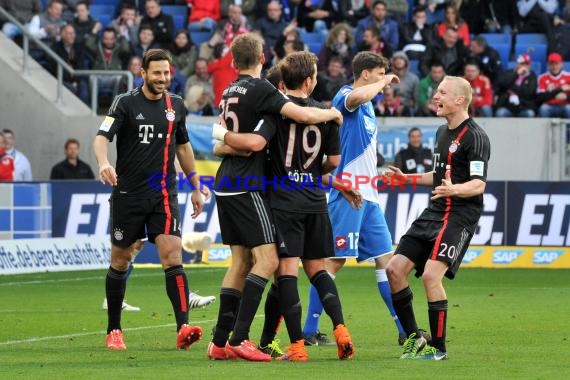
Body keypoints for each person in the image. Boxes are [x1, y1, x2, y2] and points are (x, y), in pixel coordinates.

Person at [206, 32, 342, 362]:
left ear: (233, 62)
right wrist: (332, 114)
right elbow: (298, 118)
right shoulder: (265, 92)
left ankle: (219, 342)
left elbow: (220, 143)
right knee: (268, 261)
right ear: (264, 57)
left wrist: (222, 136)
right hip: (248, 184)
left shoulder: (228, 91)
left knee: (242, 262)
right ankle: (240, 339)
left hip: (226, 179)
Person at [93, 48, 211, 350]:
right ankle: (114, 330)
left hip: (163, 193)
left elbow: (183, 148)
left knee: (172, 254)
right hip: (128, 195)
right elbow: (101, 137)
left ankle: (183, 326)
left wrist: (196, 185)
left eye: (167, 73)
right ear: (143, 73)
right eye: (157, 73)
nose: (163, 78)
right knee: (120, 260)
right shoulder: (125, 103)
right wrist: (103, 163)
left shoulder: (176, 105)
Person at [302, 52, 410, 346]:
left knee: (387, 262)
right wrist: (384, 81)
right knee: (334, 262)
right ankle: (308, 331)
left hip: (370, 197)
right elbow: (357, 98)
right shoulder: (345, 96)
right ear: (365, 74)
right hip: (347, 194)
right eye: (378, 74)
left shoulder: (369, 107)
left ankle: (405, 330)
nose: (383, 80)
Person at [384, 75, 490, 360]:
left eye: (442, 92)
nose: (435, 96)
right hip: (435, 210)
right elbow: (436, 176)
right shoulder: (443, 133)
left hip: (459, 215)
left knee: (431, 276)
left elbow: (479, 184)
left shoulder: (476, 137)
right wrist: (405, 178)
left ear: (459, 100)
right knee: (394, 270)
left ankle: (438, 349)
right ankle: (415, 337)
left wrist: (454, 188)